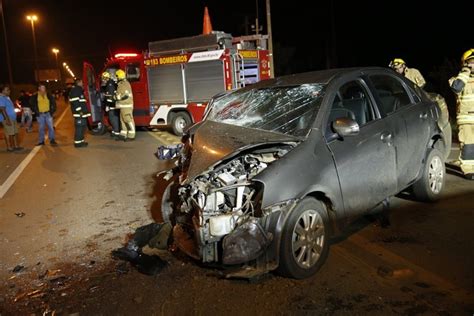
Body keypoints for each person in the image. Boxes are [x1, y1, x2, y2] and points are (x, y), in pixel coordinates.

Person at [449, 49, 474, 180]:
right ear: (465, 64)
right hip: (466, 119)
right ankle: (469, 170)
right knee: (469, 145)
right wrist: (465, 73)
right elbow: (456, 87)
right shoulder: (457, 79)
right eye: (472, 62)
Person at [0, 84, 23, 152]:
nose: (9, 91)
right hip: (7, 118)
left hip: (12, 118)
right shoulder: (1, 98)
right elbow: (2, 109)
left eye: (9, 89)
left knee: (15, 132)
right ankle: (10, 147)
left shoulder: (7, 97)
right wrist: (7, 120)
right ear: (2, 91)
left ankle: (16, 146)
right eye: (7, 90)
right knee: (9, 133)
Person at [69, 79, 91, 148]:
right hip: (79, 114)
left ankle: (81, 141)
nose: (83, 83)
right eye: (82, 82)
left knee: (83, 128)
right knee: (79, 128)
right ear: (78, 83)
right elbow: (75, 102)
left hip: (82, 113)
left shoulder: (79, 90)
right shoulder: (76, 90)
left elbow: (81, 102)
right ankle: (77, 143)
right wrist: (79, 111)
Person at [115, 69, 135, 141]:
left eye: (117, 76)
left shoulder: (124, 84)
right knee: (123, 121)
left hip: (126, 106)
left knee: (128, 120)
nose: (116, 78)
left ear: (120, 76)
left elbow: (125, 95)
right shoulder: (121, 84)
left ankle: (131, 135)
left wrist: (115, 97)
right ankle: (123, 134)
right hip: (123, 106)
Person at [101, 72, 120, 139]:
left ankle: (116, 132)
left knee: (113, 118)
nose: (103, 80)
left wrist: (108, 105)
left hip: (112, 105)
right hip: (112, 105)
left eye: (103, 78)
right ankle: (115, 131)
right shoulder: (110, 83)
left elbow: (110, 97)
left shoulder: (110, 84)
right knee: (112, 118)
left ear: (106, 78)